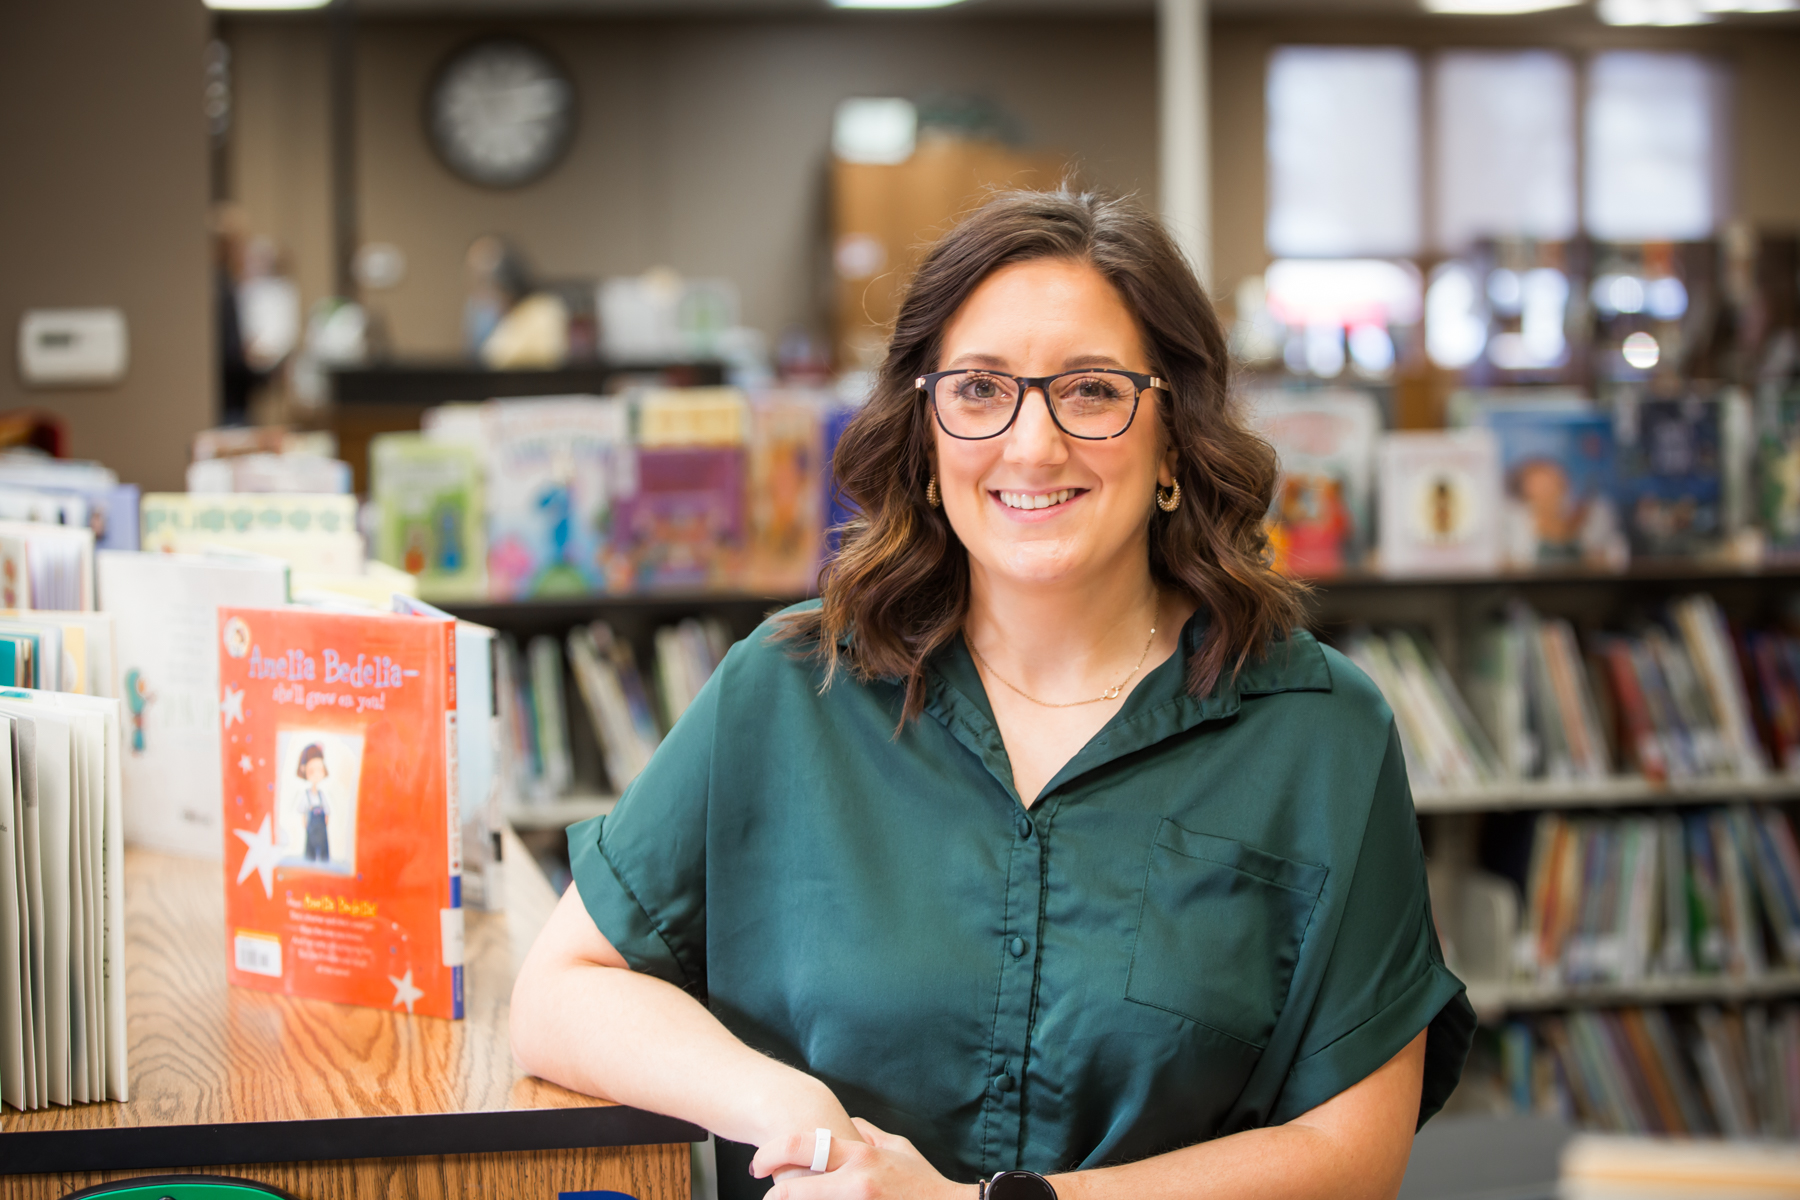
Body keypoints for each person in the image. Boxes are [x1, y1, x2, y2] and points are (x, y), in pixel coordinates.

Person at [512, 189, 1474, 1200]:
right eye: (978, 390)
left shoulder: (1321, 734)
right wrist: (805, 1123)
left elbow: (1350, 1155)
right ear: (927, 440)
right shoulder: (787, 689)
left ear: (1176, 444)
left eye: (1093, 391)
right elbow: (562, 992)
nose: (1031, 445)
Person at [294, 743, 332, 863]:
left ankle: (324, 859)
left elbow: (326, 809)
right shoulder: (306, 795)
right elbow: (302, 811)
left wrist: (326, 818)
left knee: (323, 842)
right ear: (304, 770)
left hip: (321, 824)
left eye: (319, 770)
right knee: (310, 844)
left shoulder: (321, 795)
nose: (316, 774)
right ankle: (309, 859)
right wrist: (304, 821)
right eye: (311, 771)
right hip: (311, 824)